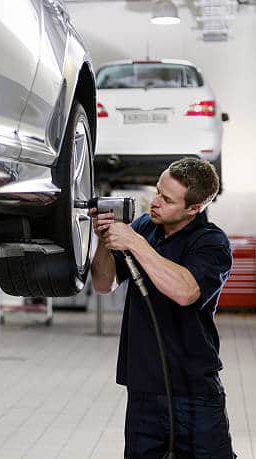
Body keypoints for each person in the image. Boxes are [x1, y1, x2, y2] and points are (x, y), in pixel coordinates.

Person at [89, 158, 236, 458]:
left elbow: (185, 291)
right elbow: (104, 284)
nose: (154, 202)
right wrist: (104, 240)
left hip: (194, 391)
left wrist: (135, 243)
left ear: (194, 208)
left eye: (167, 200)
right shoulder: (145, 226)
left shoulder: (211, 242)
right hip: (143, 389)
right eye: (157, 191)